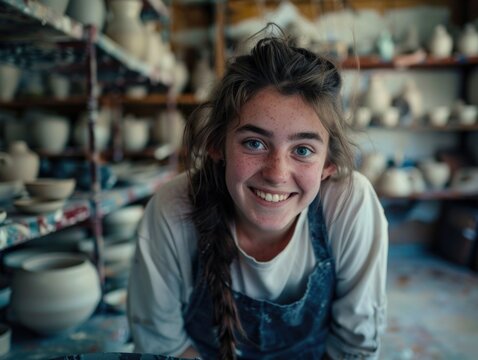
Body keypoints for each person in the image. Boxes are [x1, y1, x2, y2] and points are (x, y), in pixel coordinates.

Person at [127, 32, 388, 360]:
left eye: (303, 150)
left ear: (328, 165)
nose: (276, 173)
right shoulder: (174, 207)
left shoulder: (350, 204)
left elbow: (354, 348)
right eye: (254, 143)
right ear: (217, 146)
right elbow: (162, 345)